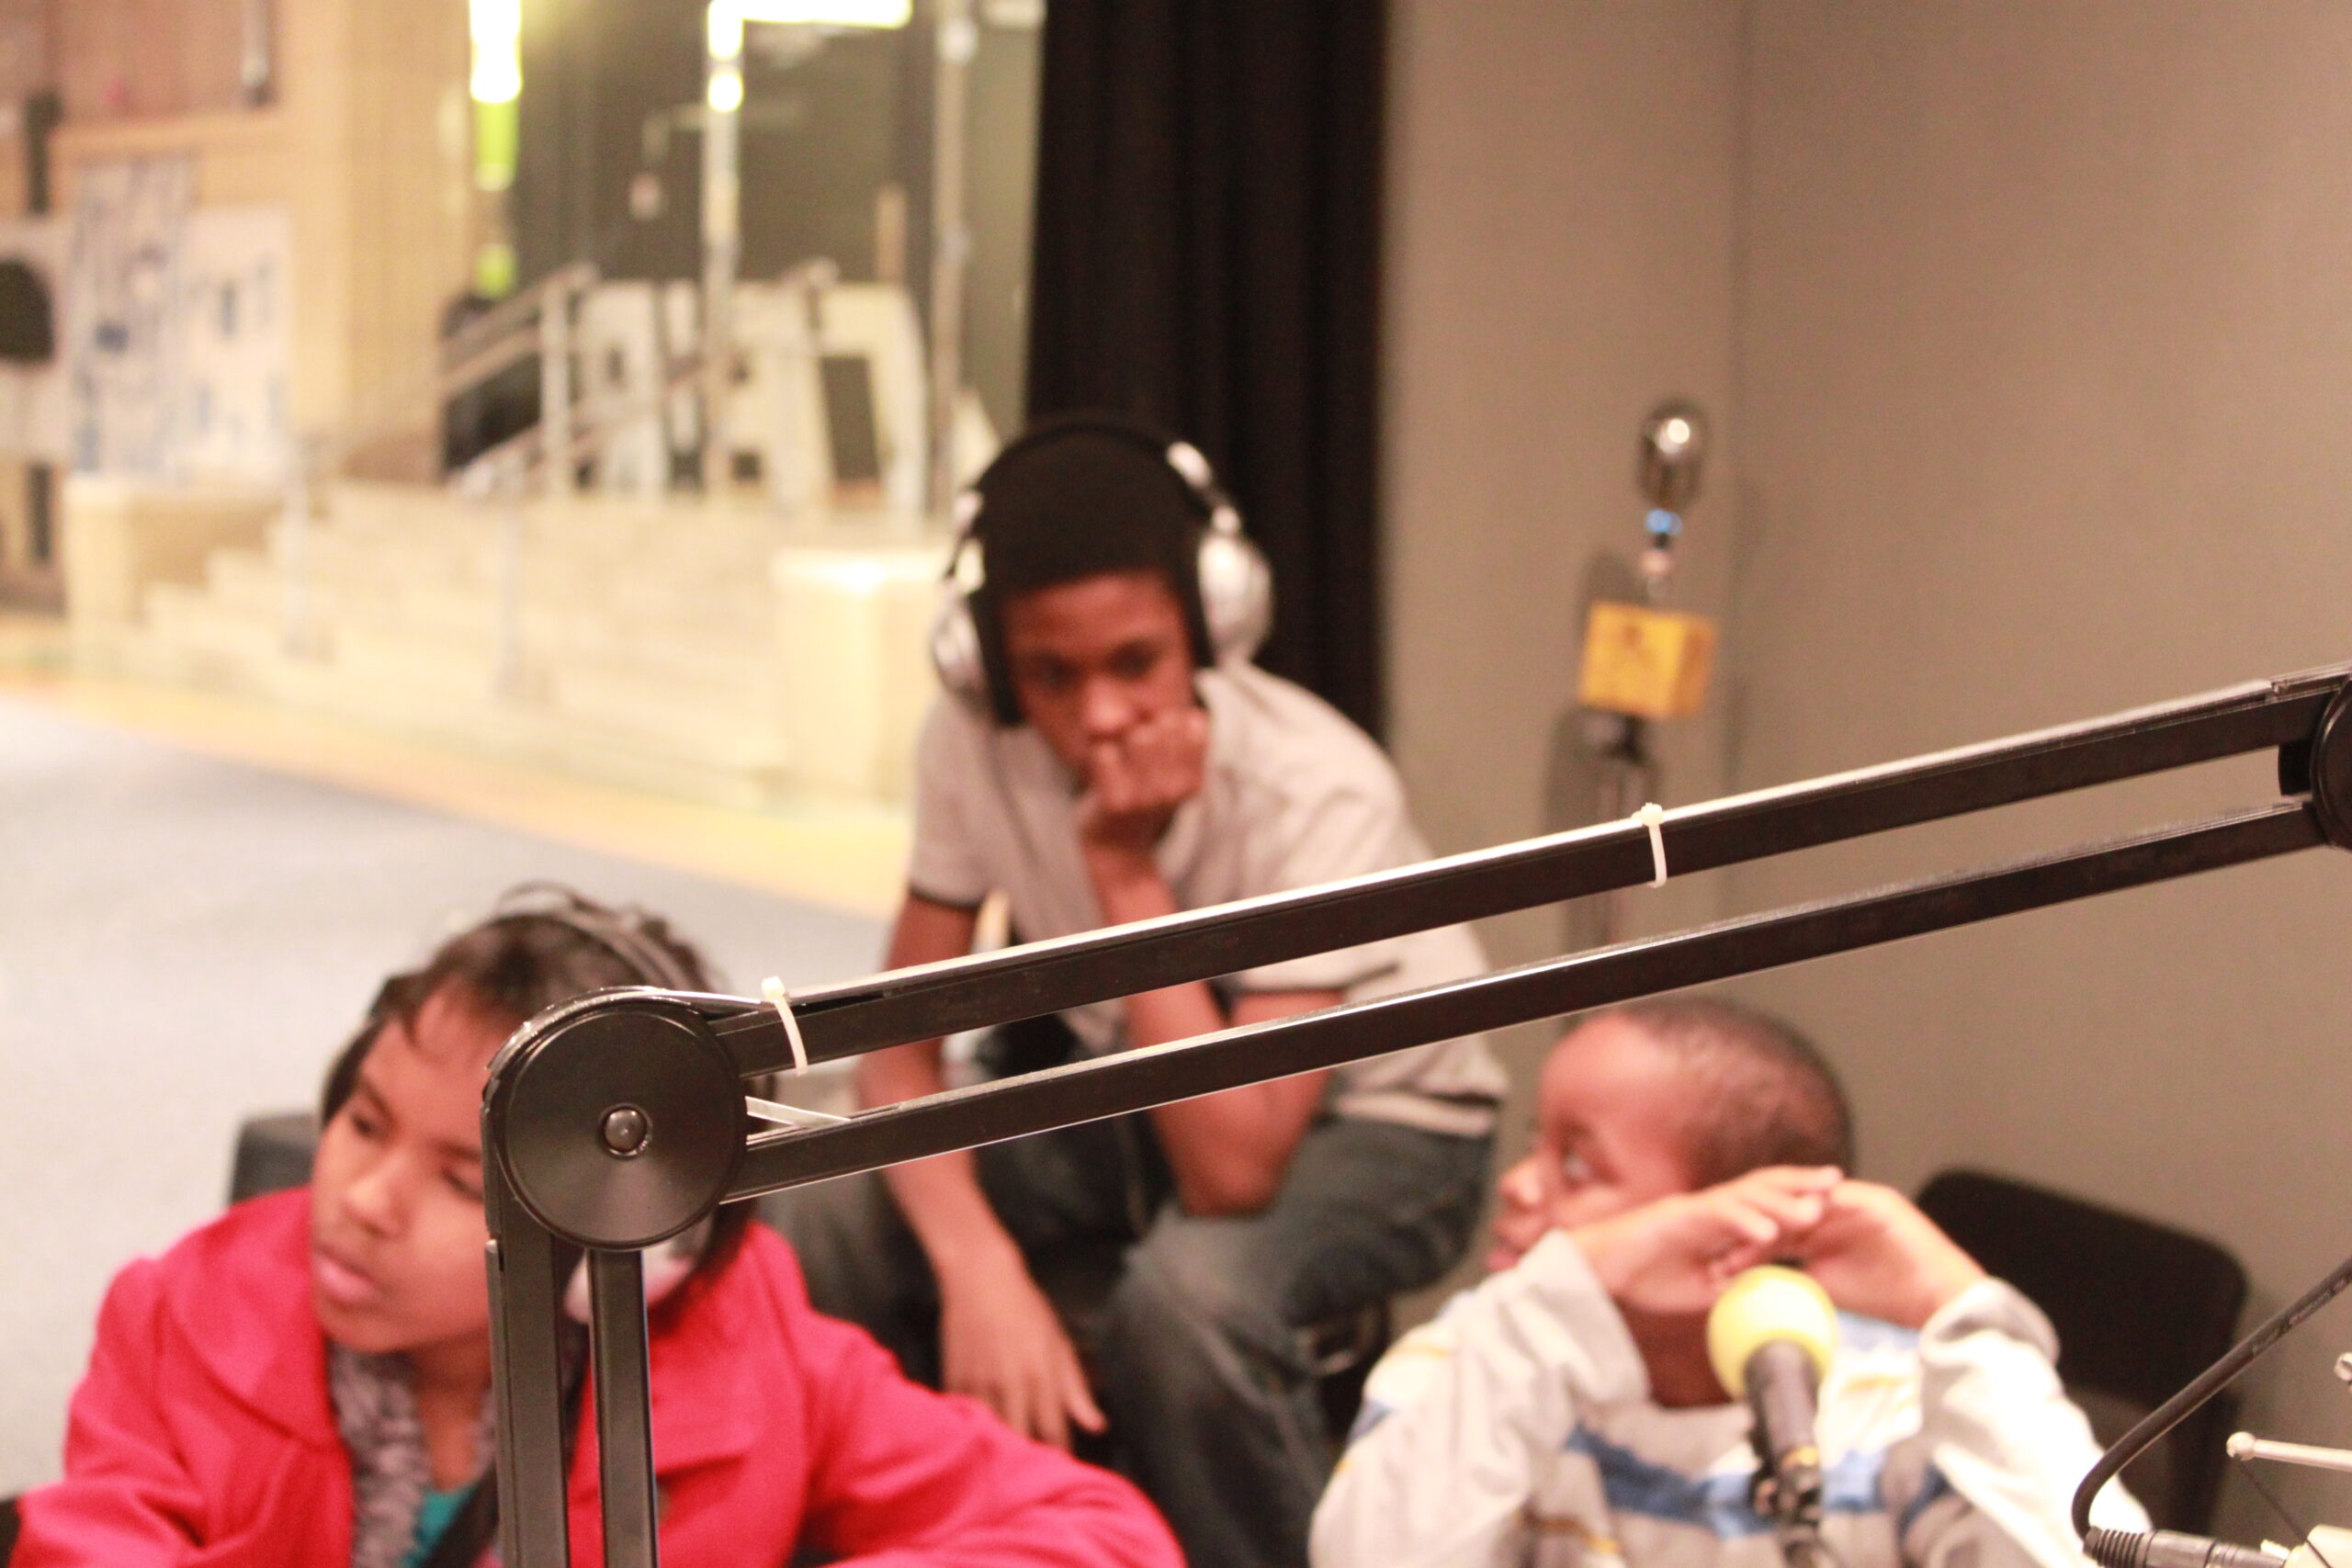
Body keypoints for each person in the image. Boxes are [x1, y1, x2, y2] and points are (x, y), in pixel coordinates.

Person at [769, 412, 1508, 1568]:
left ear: (1210, 631)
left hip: (1388, 1122)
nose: (1100, 715)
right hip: (1145, 1093)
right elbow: (896, 1054)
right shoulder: (970, 746)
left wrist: (1124, 868)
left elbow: (1229, 1168)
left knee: (1189, 1308)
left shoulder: (1319, 789)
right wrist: (979, 1270)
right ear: (989, 666)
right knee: (819, 1213)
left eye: (1136, 664)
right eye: (1049, 676)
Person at [15, 886, 1181, 1568]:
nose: (363, 1199)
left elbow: (1098, 1532)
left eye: (460, 1182)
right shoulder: (179, 1317)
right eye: (363, 1122)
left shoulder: (745, 1342)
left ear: (635, 1251)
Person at [1309, 998, 2147, 1568]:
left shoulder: (1888, 1418)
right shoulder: (1482, 1354)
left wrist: (1961, 1316)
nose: (1520, 1184)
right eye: (1536, 1142)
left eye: (1575, 1161)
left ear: (1739, 1228)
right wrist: (1556, 1301)